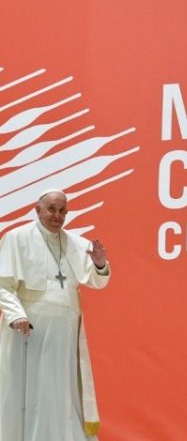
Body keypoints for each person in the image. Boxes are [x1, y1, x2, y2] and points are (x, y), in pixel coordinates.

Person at [0, 189, 111, 441]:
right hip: (28, 330)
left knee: (61, 391)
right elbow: (3, 284)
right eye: (51, 209)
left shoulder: (76, 243)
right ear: (37, 210)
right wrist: (16, 315)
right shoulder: (16, 238)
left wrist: (99, 264)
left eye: (62, 211)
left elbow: (98, 281)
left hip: (65, 332)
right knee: (30, 390)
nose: (57, 216)